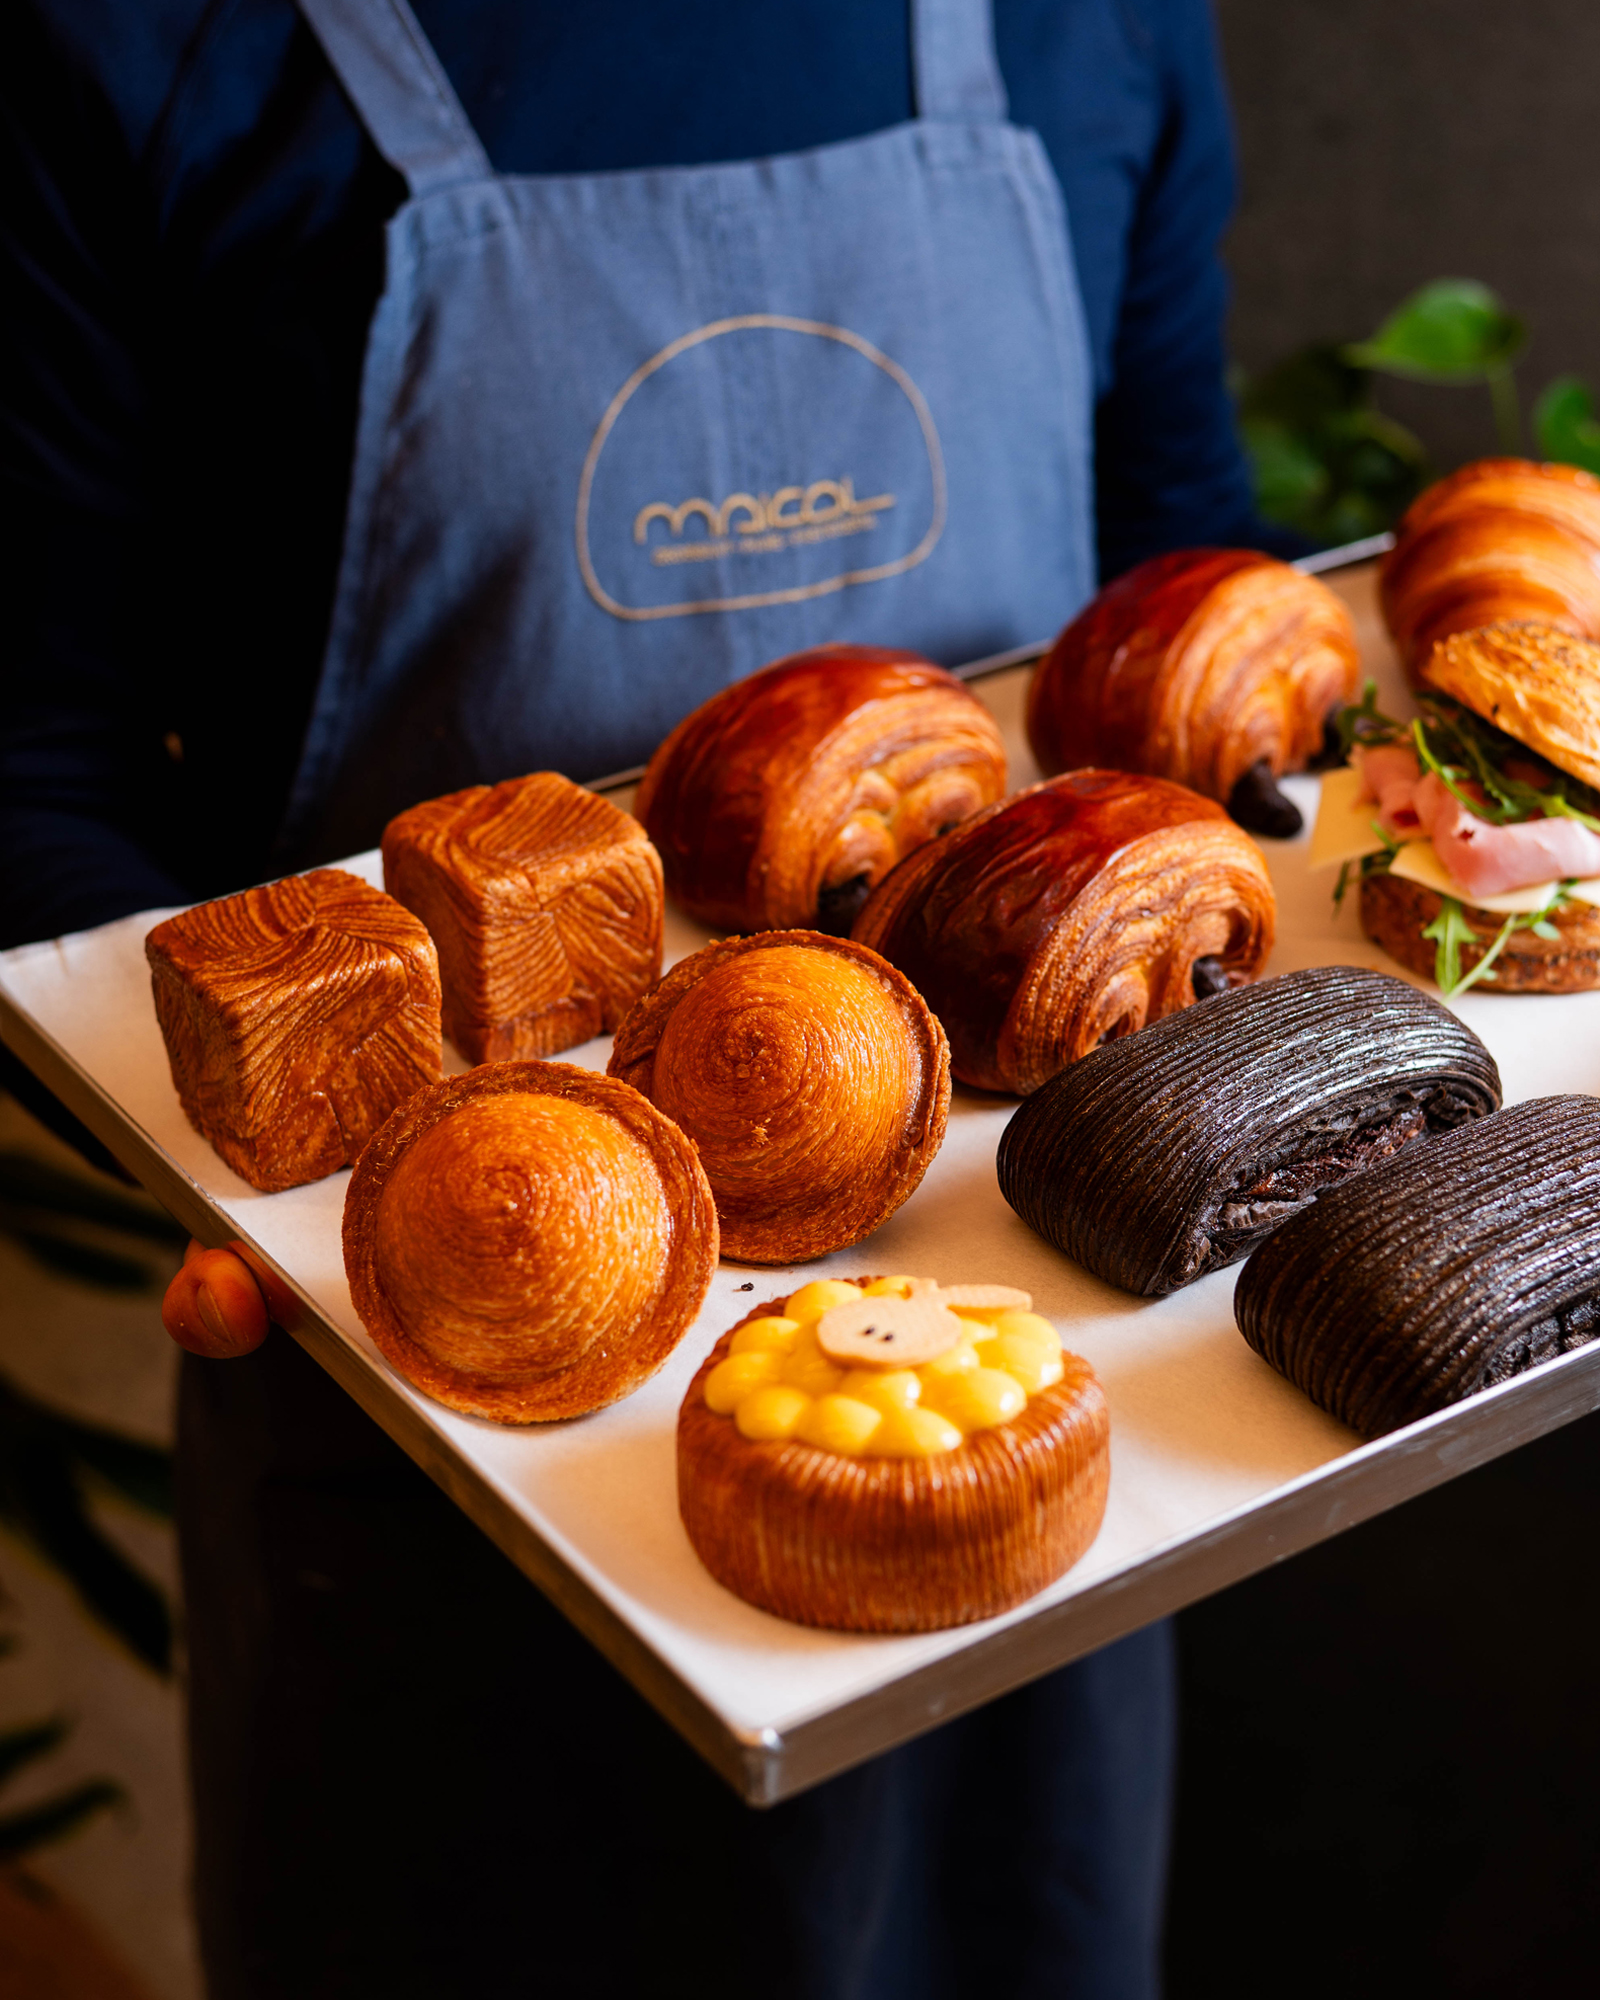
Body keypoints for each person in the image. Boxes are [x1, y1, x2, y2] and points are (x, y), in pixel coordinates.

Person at [3, 3, 1294, 1992]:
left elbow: (1172, 565)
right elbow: (35, 758)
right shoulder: (135, 44)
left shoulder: (1089, 19)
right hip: (444, 1342)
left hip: (1049, 1347)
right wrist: (234, 1149)